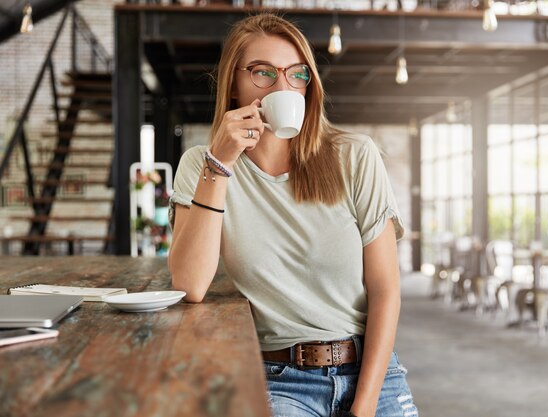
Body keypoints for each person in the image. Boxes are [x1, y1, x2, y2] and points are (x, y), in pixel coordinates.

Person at [168, 13, 417, 417]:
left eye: (296, 74)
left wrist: (364, 406)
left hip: (373, 372)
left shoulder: (354, 155)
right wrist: (220, 162)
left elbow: (386, 290)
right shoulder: (202, 165)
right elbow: (190, 284)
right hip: (277, 379)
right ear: (233, 83)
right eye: (263, 72)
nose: (283, 86)